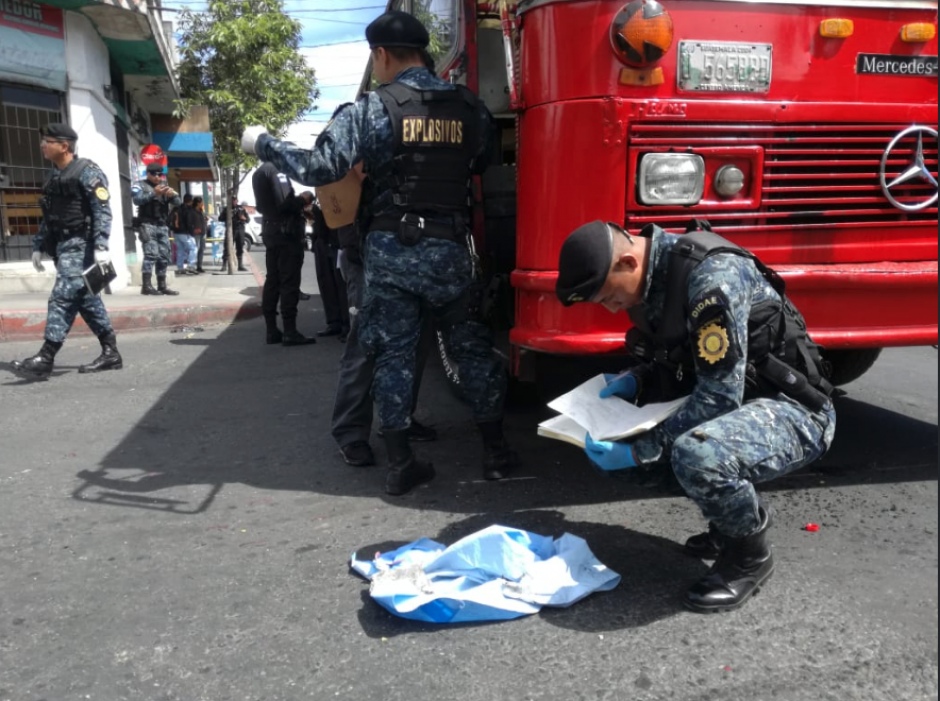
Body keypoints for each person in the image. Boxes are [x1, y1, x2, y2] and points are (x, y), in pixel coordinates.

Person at [242, 10, 518, 495]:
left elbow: (321, 165)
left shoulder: (371, 110)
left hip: (393, 249)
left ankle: (401, 464)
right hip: (450, 247)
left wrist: (265, 143)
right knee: (471, 348)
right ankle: (495, 452)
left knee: (393, 354)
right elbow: (484, 159)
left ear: (382, 55)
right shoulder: (469, 106)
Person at [554, 220, 838, 613]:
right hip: (744, 404)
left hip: (794, 409)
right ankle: (728, 522)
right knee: (623, 456)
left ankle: (748, 555)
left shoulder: (712, 278)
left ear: (627, 261)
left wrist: (641, 451)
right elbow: (681, 360)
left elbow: (719, 397)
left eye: (607, 297)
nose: (612, 308)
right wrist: (634, 381)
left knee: (698, 455)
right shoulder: (656, 282)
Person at [331, 176, 437, 467]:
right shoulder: (367, 133)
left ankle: (398, 418)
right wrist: (352, 240)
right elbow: (335, 185)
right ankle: (351, 431)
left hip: (418, 251)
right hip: (370, 251)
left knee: (416, 343)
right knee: (365, 347)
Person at [12, 123, 122, 379]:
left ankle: (46, 355)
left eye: (48, 141)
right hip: (63, 247)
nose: (42, 145)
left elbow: (102, 211)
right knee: (86, 300)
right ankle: (111, 352)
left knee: (61, 297)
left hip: (82, 246)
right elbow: (48, 217)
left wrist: (102, 246)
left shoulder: (87, 172)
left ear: (64, 146)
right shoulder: (53, 178)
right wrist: (38, 246)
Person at [251, 160, 318, 346]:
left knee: (273, 280)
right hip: (285, 234)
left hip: (272, 232)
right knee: (289, 282)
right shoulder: (276, 170)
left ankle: (272, 330)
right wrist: (303, 198)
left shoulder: (259, 172)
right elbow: (284, 204)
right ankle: (290, 331)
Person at [132, 161, 180, 296]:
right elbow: (136, 200)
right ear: (148, 173)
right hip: (147, 224)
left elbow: (178, 203)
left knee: (164, 255)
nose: (157, 177)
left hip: (162, 225)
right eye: (154, 174)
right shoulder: (140, 185)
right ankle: (146, 286)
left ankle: (162, 285)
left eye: (160, 174)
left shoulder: (164, 187)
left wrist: (173, 196)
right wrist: (153, 193)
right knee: (150, 254)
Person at [309, 199, 350, 339]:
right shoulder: (319, 191)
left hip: (338, 239)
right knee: (326, 282)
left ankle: (347, 324)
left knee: (341, 284)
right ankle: (334, 322)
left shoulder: (339, 185)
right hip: (322, 239)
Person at [218, 197, 249, 271]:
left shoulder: (241, 209)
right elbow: (220, 218)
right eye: (232, 200)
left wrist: (243, 218)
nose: (234, 202)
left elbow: (248, 220)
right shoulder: (227, 209)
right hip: (230, 229)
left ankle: (240, 265)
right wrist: (228, 216)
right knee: (227, 247)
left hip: (240, 229)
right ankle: (224, 265)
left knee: (240, 247)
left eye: (235, 200)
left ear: (237, 201)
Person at [172, 193, 197, 276]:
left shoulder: (176, 208)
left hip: (176, 233)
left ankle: (180, 268)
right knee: (193, 248)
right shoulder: (188, 209)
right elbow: (189, 222)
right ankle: (190, 266)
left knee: (180, 250)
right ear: (190, 201)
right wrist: (192, 233)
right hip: (185, 233)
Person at [190, 196, 208, 273]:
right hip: (196, 233)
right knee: (195, 249)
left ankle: (199, 266)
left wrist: (205, 219)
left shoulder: (201, 211)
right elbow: (189, 222)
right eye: (201, 202)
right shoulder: (192, 212)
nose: (202, 204)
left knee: (201, 250)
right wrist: (194, 229)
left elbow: (203, 220)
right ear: (198, 203)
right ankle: (192, 266)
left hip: (203, 233)